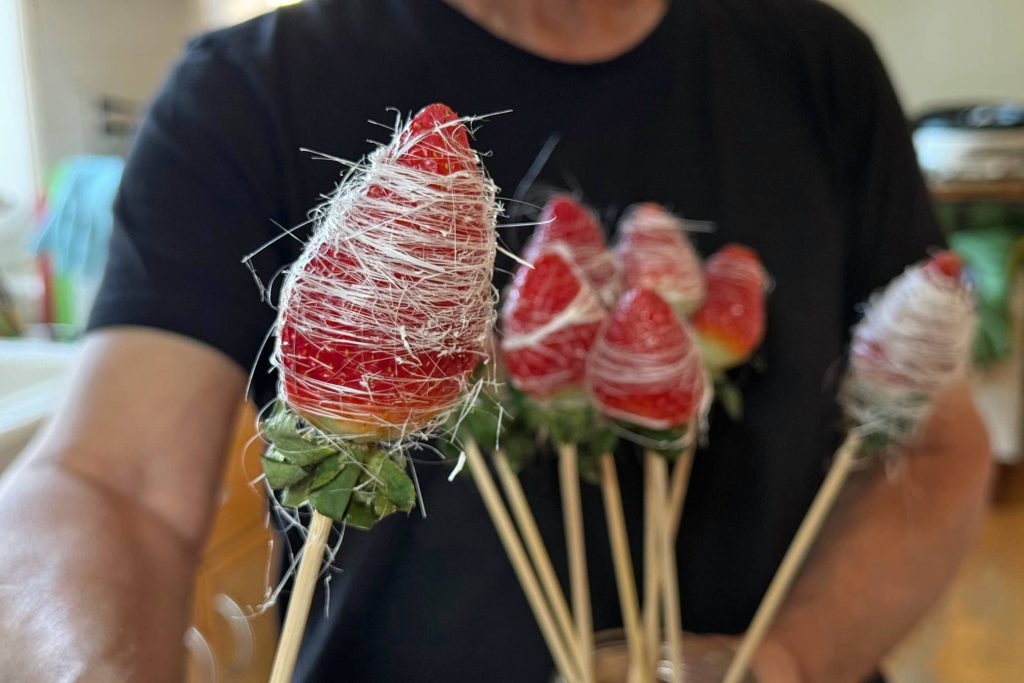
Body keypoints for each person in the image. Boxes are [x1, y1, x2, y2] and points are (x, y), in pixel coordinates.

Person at [0, 0, 991, 681]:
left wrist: (787, 660)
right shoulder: (247, 88)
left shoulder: (817, 64)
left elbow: (938, 445)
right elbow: (107, 479)